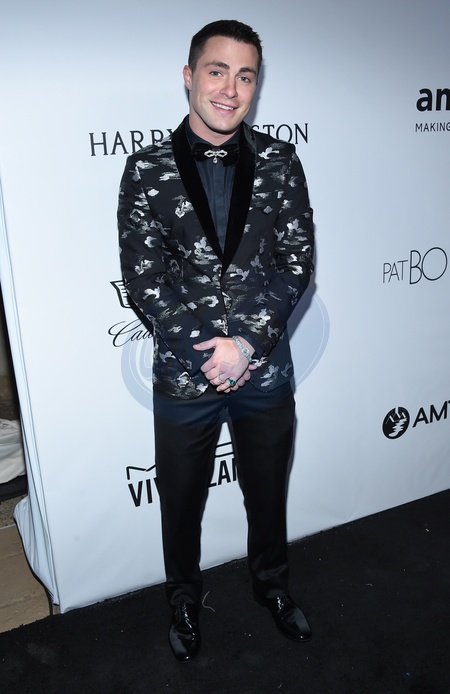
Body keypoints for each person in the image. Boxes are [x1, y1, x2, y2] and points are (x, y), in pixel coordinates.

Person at [118, 19, 315, 663]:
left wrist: (247, 346)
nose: (231, 89)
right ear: (189, 76)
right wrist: (210, 351)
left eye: (245, 76)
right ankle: (183, 598)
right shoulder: (145, 169)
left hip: (264, 371)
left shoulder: (282, 161)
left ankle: (273, 587)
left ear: (257, 86)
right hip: (185, 375)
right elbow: (143, 279)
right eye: (217, 70)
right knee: (180, 502)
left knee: (268, 491)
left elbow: (296, 262)